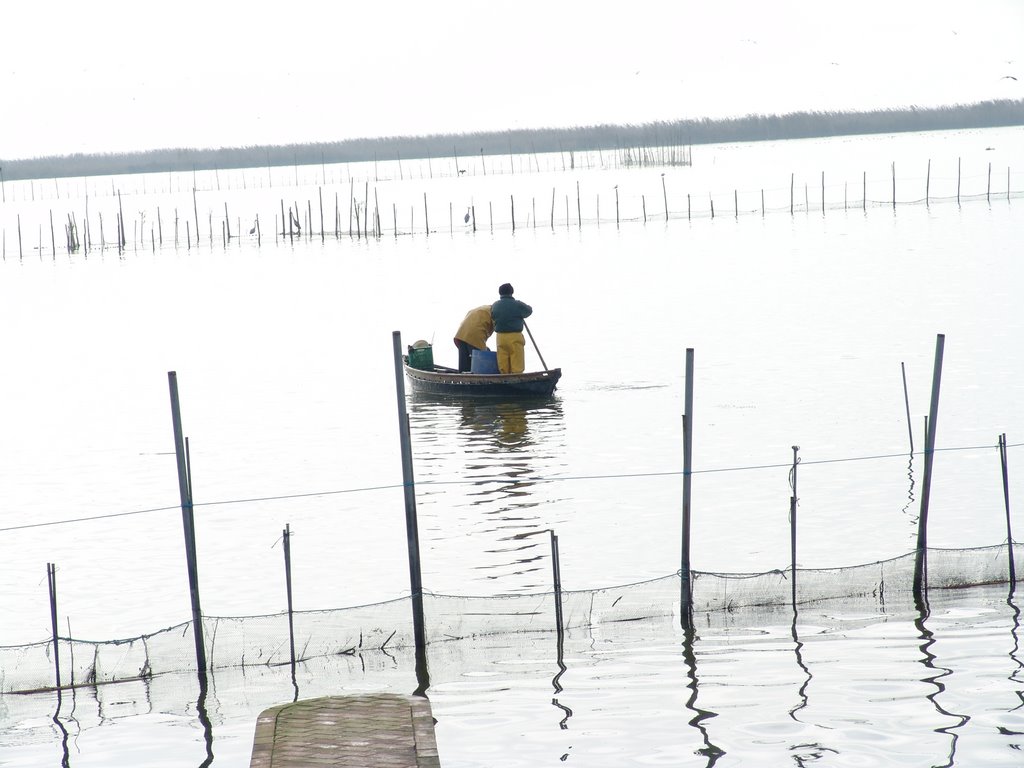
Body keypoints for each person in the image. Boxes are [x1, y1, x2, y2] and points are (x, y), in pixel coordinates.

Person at [491, 283, 533, 374]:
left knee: (503, 363)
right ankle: (516, 379)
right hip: (514, 337)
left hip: (500, 338)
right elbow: (529, 311)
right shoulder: (517, 304)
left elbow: (493, 316)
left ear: (500, 293)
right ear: (512, 292)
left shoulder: (495, 305)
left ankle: (504, 379)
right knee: (517, 364)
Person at [453, 305, 495, 372]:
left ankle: (463, 379)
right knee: (480, 362)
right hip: (474, 335)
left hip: (461, 334)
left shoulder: (484, 308)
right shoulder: (495, 312)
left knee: (464, 364)